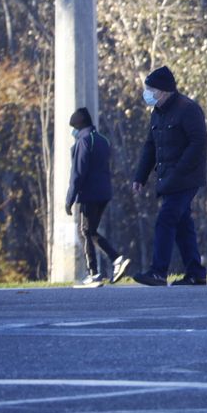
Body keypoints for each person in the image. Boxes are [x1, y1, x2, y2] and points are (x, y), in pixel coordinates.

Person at [129, 65, 207, 287]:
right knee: (183, 225)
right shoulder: (157, 113)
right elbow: (150, 146)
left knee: (166, 219)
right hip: (168, 178)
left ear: (163, 91)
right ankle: (195, 273)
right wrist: (140, 176)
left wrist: (181, 170)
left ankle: (158, 272)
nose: (147, 93)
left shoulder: (188, 109)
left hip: (186, 177)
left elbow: (199, 141)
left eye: (150, 89)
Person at [65, 107, 132, 287]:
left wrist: (69, 199)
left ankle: (94, 273)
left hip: (89, 193)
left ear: (78, 126)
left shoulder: (84, 142)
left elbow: (77, 173)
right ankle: (116, 259)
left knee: (86, 231)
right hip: (104, 192)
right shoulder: (103, 140)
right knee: (91, 230)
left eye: (74, 128)